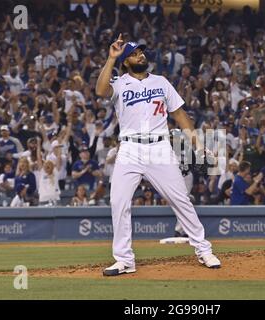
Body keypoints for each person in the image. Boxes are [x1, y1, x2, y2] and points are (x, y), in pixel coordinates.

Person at [96, 34, 220, 276]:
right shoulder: (119, 83)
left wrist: (197, 143)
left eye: (140, 51)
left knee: (180, 199)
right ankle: (124, 260)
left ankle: (203, 250)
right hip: (130, 148)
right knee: (118, 202)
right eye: (133, 53)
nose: (140, 55)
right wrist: (111, 58)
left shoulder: (161, 82)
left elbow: (180, 114)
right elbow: (100, 90)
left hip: (159, 148)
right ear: (125, 62)